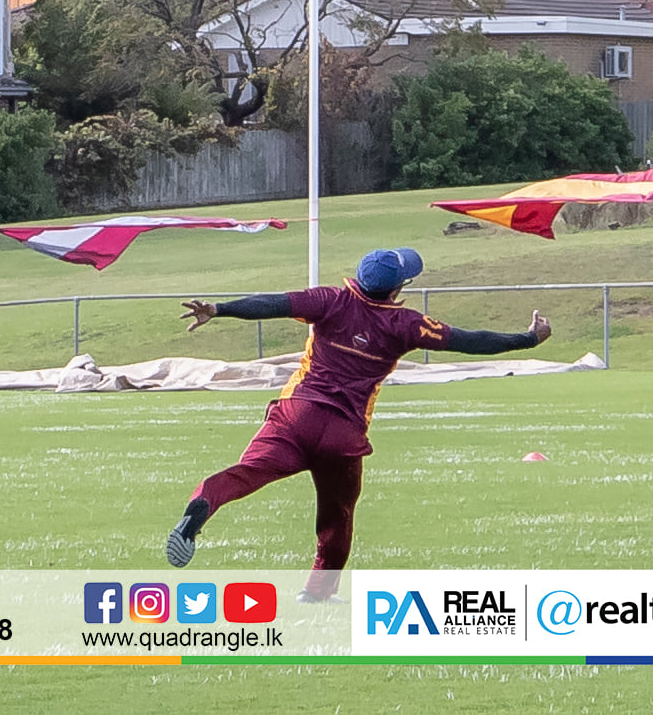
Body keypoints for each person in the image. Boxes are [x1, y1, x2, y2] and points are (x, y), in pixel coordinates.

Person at [165, 247, 550, 600]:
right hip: (343, 434)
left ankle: (203, 504)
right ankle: (316, 592)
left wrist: (219, 308)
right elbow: (471, 340)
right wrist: (529, 338)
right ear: (397, 288)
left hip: (296, 414)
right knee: (337, 516)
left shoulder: (330, 300)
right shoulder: (404, 323)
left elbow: (273, 304)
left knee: (245, 472)